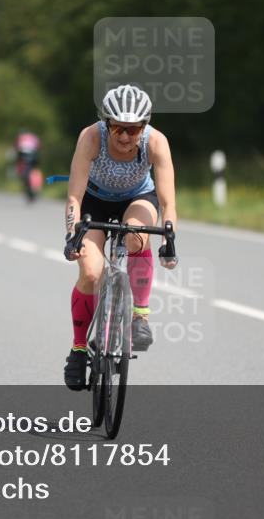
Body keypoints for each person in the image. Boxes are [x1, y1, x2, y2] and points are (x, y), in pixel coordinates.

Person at [61, 84, 178, 390]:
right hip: (94, 200)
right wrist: (72, 235)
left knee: (137, 235)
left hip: (137, 199)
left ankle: (139, 316)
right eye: (117, 128)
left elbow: (167, 203)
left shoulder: (157, 142)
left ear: (144, 125)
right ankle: (78, 349)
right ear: (106, 123)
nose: (125, 136)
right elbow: (74, 197)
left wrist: (169, 240)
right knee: (90, 272)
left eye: (133, 129)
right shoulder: (91, 137)